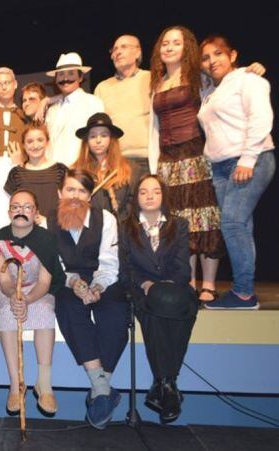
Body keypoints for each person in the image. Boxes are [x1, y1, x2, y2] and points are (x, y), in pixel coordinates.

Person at [198, 35, 276, 309]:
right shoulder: (210, 91)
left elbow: (261, 117)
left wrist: (248, 158)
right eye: (206, 58)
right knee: (241, 225)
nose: (212, 61)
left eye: (218, 54)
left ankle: (243, 293)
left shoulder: (248, 80)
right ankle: (245, 290)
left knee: (231, 224)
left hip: (248, 160)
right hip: (220, 167)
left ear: (232, 55)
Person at [148, 26, 224, 302]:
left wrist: (250, 70)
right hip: (168, 159)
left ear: (186, 48)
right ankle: (188, 281)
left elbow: (227, 86)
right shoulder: (156, 83)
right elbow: (154, 128)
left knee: (205, 217)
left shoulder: (199, 77)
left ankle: (210, 284)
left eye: (176, 43)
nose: (169, 47)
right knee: (181, 221)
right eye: (165, 43)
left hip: (195, 153)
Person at [52, 169, 126, 430]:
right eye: (70, 189)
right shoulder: (47, 221)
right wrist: (73, 282)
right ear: (60, 193)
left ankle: (98, 390)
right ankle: (104, 389)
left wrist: (97, 286)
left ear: (90, 196)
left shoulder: (105, 219)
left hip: (101, 278)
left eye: (82, 191)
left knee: (117, 314)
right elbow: (54, 264)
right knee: (69, 308)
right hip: (65, 280)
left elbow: (109, 262)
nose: (75, 196)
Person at [120, 175, 197, 423]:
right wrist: (146, 284)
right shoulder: (125, 227)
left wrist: (165, 286)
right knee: (154, 311)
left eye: (155, 191)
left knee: (177, 306)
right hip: (141, 289)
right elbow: (126, 268)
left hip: (174, 288)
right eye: (143, 192)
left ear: (164, 195)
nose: (150, 196)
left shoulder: (180, 224)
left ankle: (162, 384)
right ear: (136, 198)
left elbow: (184, 268)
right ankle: (168, 385)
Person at [0, 189, 64, 416]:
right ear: (9, 211)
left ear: (36, 213)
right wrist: (14, 296)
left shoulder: (47, 240)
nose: (21, 211)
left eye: (27, 207)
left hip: (38, 289)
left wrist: (28, 299)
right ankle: (16, 384)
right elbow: (4, 279)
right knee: (7, 314)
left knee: (44, 311)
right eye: (16, 207)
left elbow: (44, 281)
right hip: (8, 289)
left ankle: (44, 383)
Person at [94, 35, 152, 175]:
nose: (118, 52)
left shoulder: (151, 78)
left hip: (149, 159)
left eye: (124, 47)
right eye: (114, 49)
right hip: (116, 162)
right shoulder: (102, 87)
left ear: (138, 53)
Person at [73, 113, 138, 221]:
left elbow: (134, 202)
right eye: (93, 136)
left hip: (121, 229)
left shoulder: (130, 168)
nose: (98, 140)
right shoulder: (75, 170)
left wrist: (118, 224)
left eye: (104, 135)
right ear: (87, 141)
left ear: (111, 139)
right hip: (88, 231)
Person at [44, 52, 105, 166]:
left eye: (71, 73)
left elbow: (100, 140)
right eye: (61, 74)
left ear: (80, 77)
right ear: (56, 79)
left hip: (81, 171)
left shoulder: (93, 103)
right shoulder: (52, 110)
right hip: (53, 173)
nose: (65, 78)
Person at [4, 123, 68, 222]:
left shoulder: (60, 170)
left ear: (47, 142)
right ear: (23, 145)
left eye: (40, 140)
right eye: (30, 141)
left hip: (55, 231)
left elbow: (68, 205)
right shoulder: (16, 173)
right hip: (26, 231)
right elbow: (13, 208)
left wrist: (49, 222)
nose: (35, 145)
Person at [0, 67, 26, 155]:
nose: (4, 87)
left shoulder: (25, 115)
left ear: (15, 84)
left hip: (19, 166)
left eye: (7, 83)